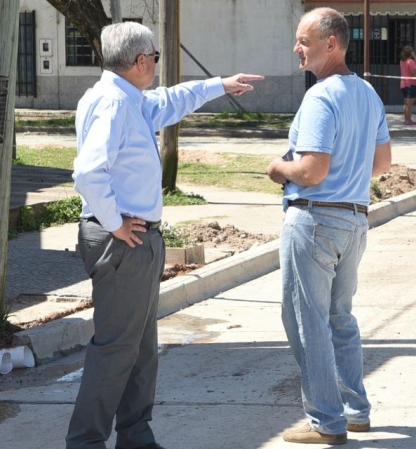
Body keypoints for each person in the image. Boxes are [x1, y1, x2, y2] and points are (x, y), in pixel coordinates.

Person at [67, 21, 262, 449]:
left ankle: (136, 435)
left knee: (141, 348)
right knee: (116, 350)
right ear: (141, 61)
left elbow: (173, 100)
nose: (156, 63)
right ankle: (86, 442)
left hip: (137, 239)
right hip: (123, 240)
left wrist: (220, 84)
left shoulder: (128, 98)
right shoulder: (115, 104)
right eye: (155, 57)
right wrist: (115, 222)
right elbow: (87, 172)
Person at [266, 7, 392, 446]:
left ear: (330, 43)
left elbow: (313, 169)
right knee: (340, 318)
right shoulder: (368, 95)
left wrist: (279, 167)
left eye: (303, 40)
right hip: (354, 221)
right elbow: (381, 164)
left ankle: (326, 420)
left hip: (316, 218)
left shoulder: (320, 96)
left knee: (307, 321)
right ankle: (355, 410)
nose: (296, 48)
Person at [399, 45, 416, 125]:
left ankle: (406, 119)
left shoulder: (402, 61)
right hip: (411, 84)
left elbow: (415, 64)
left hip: (403, 84)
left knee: (405, 103)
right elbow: (413, 72)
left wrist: (415, 57)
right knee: (410, 104)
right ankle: (409, 120)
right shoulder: (410, 61)